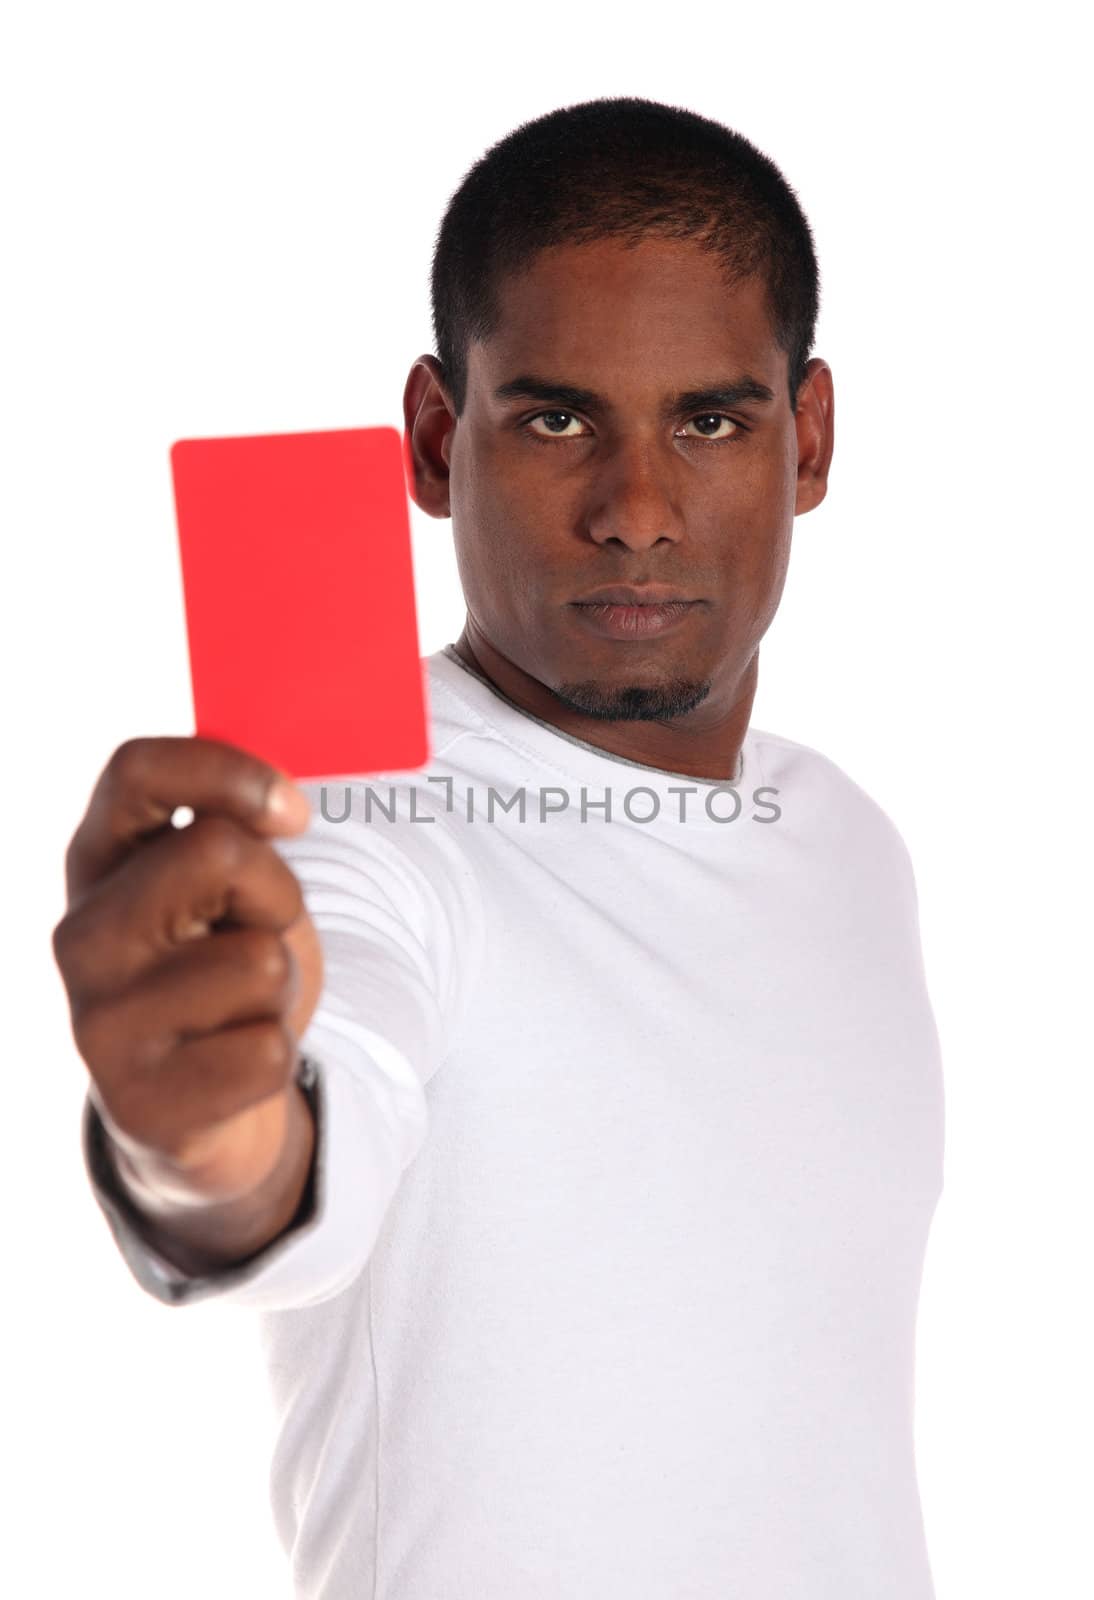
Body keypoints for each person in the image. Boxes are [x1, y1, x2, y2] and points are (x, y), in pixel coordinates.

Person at [53, 96, 946, 1599]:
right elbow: (308, 1106)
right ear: (431, 439)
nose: (635, 512)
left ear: (806, 441)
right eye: (554, 418)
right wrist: (202, 1151)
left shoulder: (851, 841)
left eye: (709, 420)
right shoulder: (356, 806)